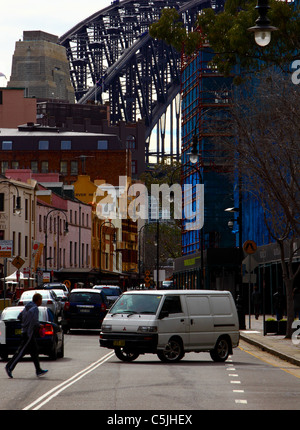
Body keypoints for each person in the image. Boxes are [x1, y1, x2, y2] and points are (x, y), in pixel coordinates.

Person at [5, 293, 48, 378]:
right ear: (38, 300)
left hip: (26, 332)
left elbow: (19, 316)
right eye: (41, 300)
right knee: (21, 352)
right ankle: (9, 367)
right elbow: (35, 322)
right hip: (29, 334)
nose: (41, 302)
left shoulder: (26, 307)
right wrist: (40, 325)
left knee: (34, 351)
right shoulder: (35, 309)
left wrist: (25, 323)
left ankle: (38, 370)